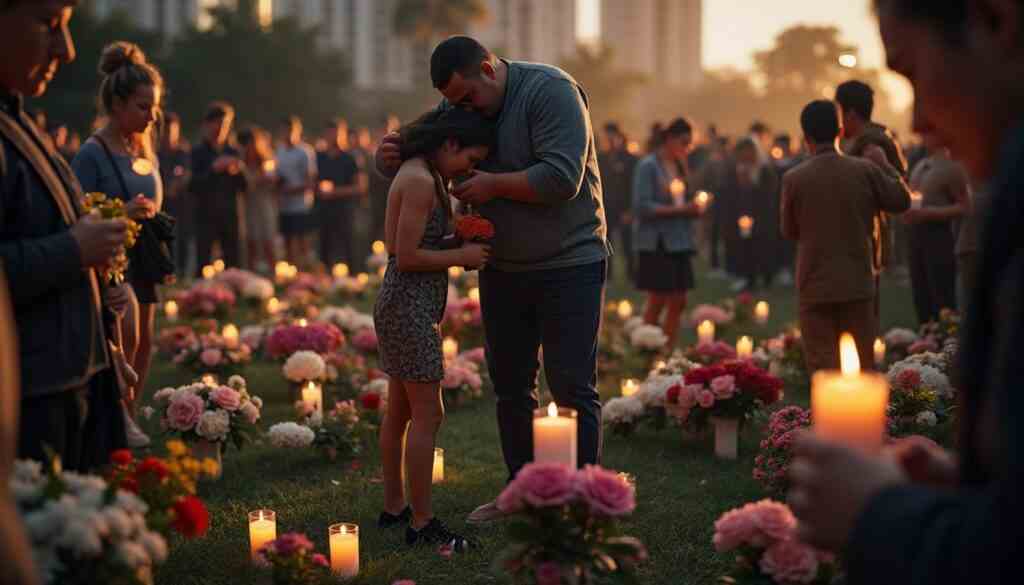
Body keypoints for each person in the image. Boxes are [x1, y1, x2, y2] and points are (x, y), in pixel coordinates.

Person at [789, 3, 1024, 584]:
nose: (918, 122)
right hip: (859, 276)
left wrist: (879, 513)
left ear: (994, 22)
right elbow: (898, 200)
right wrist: (971, 483)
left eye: (913, 71)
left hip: (819, 279)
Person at [376, 36, 610, 523]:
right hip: (504, 268)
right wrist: (388, 156)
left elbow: (562, 178)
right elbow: (420, 148)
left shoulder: (551, 91)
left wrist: (492, 185)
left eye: (466, 98)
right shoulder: (459, 102)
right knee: (511, 386)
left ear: (487, 69)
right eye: (453, 102)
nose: (461, 109)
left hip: (569, 263)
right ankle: (521, 491)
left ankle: (585, 499)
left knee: (571, 386)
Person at [1, 0, 131, 470]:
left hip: (64, 384)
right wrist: (73, 249)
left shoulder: (17, 118)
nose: (67, 50)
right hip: (26, 401)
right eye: (49, 24)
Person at [374, 108, 494, 550]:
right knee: (429, 414)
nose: (468, 170)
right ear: (450, 144)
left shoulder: (422, 173)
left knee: (401, 412)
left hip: (401, 304)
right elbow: (404, 256)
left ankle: (394, 507)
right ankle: (422, 523)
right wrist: (461, 256)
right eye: (469, 159)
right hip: (408, 307)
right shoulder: (421, 180)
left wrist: (454, 239)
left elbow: (409, 244)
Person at [72, 41, 165, 448]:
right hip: (112, 255)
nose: (152, 116)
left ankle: (129, 414)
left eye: (154, 107)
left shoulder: (139, 145)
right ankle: (116, 418)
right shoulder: (92, 154)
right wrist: (122, 212)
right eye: (143, 107)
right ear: (117, 104)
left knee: (145, 341)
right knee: (124, 337)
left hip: (145, 251)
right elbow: (78, 212)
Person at [781, 100, 910, 374]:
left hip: (814, 282)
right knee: (861, 367)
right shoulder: (865, 170)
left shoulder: (794, 178)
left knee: (823, 368)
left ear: (806, 136)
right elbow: (901, 201)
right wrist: (885, 165)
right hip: (857, 281)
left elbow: (789, 231)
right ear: (840, 131)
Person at [632, 118, 705, 348]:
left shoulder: (681, 165)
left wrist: (695, 207)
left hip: (680, 241)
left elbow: (682, 199)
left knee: (679, 300)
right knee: (658, 299)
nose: (687, 148)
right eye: (684, 142)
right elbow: (642, 206)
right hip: (658, 242)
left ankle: (667, 348)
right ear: (669, 139)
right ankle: (646, 348)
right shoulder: (648, 166)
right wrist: (681, 210)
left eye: (690, 143)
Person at [903, 136, 968, 323]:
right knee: (921, 298)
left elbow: (965, 206)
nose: (924, 136)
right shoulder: (920, 164)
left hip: (940, 239)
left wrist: (929, 213)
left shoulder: (952, 166)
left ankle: (946, 339)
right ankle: (926, 337)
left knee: (942, 300)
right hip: (916, 239)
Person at [191, 101, 245, 274]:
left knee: (232, 260)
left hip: (230, 212)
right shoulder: (197, 152)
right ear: (207, 124)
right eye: (217, 123)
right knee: (203, 260)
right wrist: (213, 170)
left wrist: (238, 172)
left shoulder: (234, 151)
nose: (220, 128)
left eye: (225, 124)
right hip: (206, 213)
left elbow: (244, 187)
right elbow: (192, 185)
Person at [725, 137, 781, 292]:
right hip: (745, 215)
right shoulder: (739, 169)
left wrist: (750, 184)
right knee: (746, 247)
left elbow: (769, 194)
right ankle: (748, 278)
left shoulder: (765, 170)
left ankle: (767, 278)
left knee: (764, 247)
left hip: (763, 216)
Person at [317, 118, 367, 268]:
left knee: (348, 247)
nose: (333, 136)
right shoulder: (319, 157)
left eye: (336, 133)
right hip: (324, 210)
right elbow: (313, 181)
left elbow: (360, 187)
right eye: (330, 133)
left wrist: (335, 192)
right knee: (325, 248)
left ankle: (353, 276)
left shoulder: (351, 158)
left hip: (345, 210)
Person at [598, 122, 638, 281]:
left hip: (624, 208)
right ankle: (608, 275)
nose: (609, 140)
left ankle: (632, 274)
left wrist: (630, 209)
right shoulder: (600, 158)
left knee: (628, 242)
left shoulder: (630, 159)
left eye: (611, 136)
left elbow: (633, 185)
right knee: (606, 244)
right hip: (606, 208)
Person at [275, 116, 317, 265]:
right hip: (284, 204)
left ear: (298, 131)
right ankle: (291, 272)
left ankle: (306, 271)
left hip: (301, 205)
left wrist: (291, 189)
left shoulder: (305, 151)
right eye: (284, 130)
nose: (287, 133)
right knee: (287, 242)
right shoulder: (279, 151)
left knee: (302, 241)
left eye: (290, 130)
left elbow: (310, 181)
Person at [237, 126, 277, 273]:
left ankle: (273, 272)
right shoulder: (240, 163)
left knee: (268, 239)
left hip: (264, 203)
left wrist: (270, 180)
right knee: (251, 241)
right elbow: (244, 185)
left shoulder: (266, 161)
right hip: (247, 205)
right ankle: (251, 272)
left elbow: (273, 183)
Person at [159, 112, 191, 278]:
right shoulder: (156, 154)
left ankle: (183, 270)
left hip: (181, 201)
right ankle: (167, 270)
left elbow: (187, 173)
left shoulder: (182, 152)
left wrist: (178, 183)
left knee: (183, 236)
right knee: (165, 236)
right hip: (163, 202)